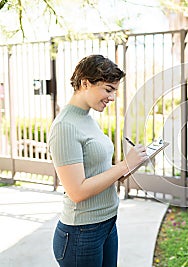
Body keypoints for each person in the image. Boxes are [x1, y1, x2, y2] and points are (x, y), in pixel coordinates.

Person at [48, 54, 147, 267]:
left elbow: (96, 172)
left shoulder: (87, 119)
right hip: (82, 233)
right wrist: (123, 165)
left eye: (114, 91)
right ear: (85, 83)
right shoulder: (65, 127)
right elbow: (77, 192)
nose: (112, 98)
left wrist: (125, 170)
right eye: (108, 90)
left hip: (107, 224)